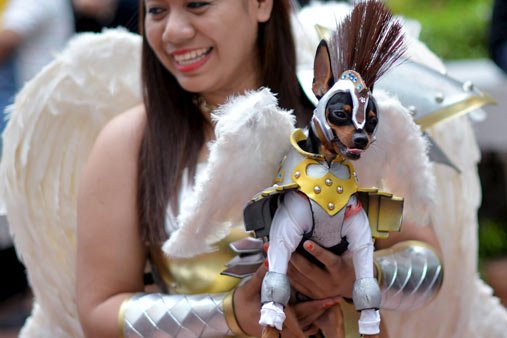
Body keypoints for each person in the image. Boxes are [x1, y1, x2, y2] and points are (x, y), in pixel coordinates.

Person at [2, 1, 451, 337]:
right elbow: (99, 310)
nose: (173, 31)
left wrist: (360, 278)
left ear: (259, 4)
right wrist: (230, 314)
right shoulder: (129, 142)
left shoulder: (343, 119)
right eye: (157, 10)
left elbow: (430, 260)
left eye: (198, 4)